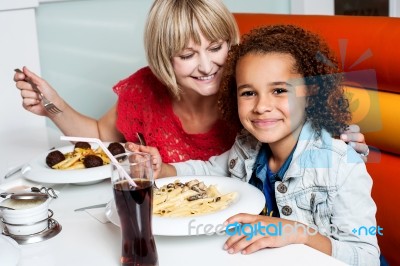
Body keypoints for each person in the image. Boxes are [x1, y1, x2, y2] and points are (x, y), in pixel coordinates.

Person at [129, 25, 379, 265]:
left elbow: (366, 257)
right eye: (248, 93)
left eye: (279, 90)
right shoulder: (246, 147)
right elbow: (209, 171)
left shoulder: (341, 166)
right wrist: (163, 171)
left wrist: (300, 233)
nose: (261, 106)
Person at [14, 0, 368, 163]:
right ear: (162, 58)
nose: (206, 66)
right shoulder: (144, 88)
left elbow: (312, 129)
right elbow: (101, 136)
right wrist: (52, 104)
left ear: (232, 41)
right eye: (186, 55)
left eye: (216, 47)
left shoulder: (253, 87)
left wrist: (342, 139)